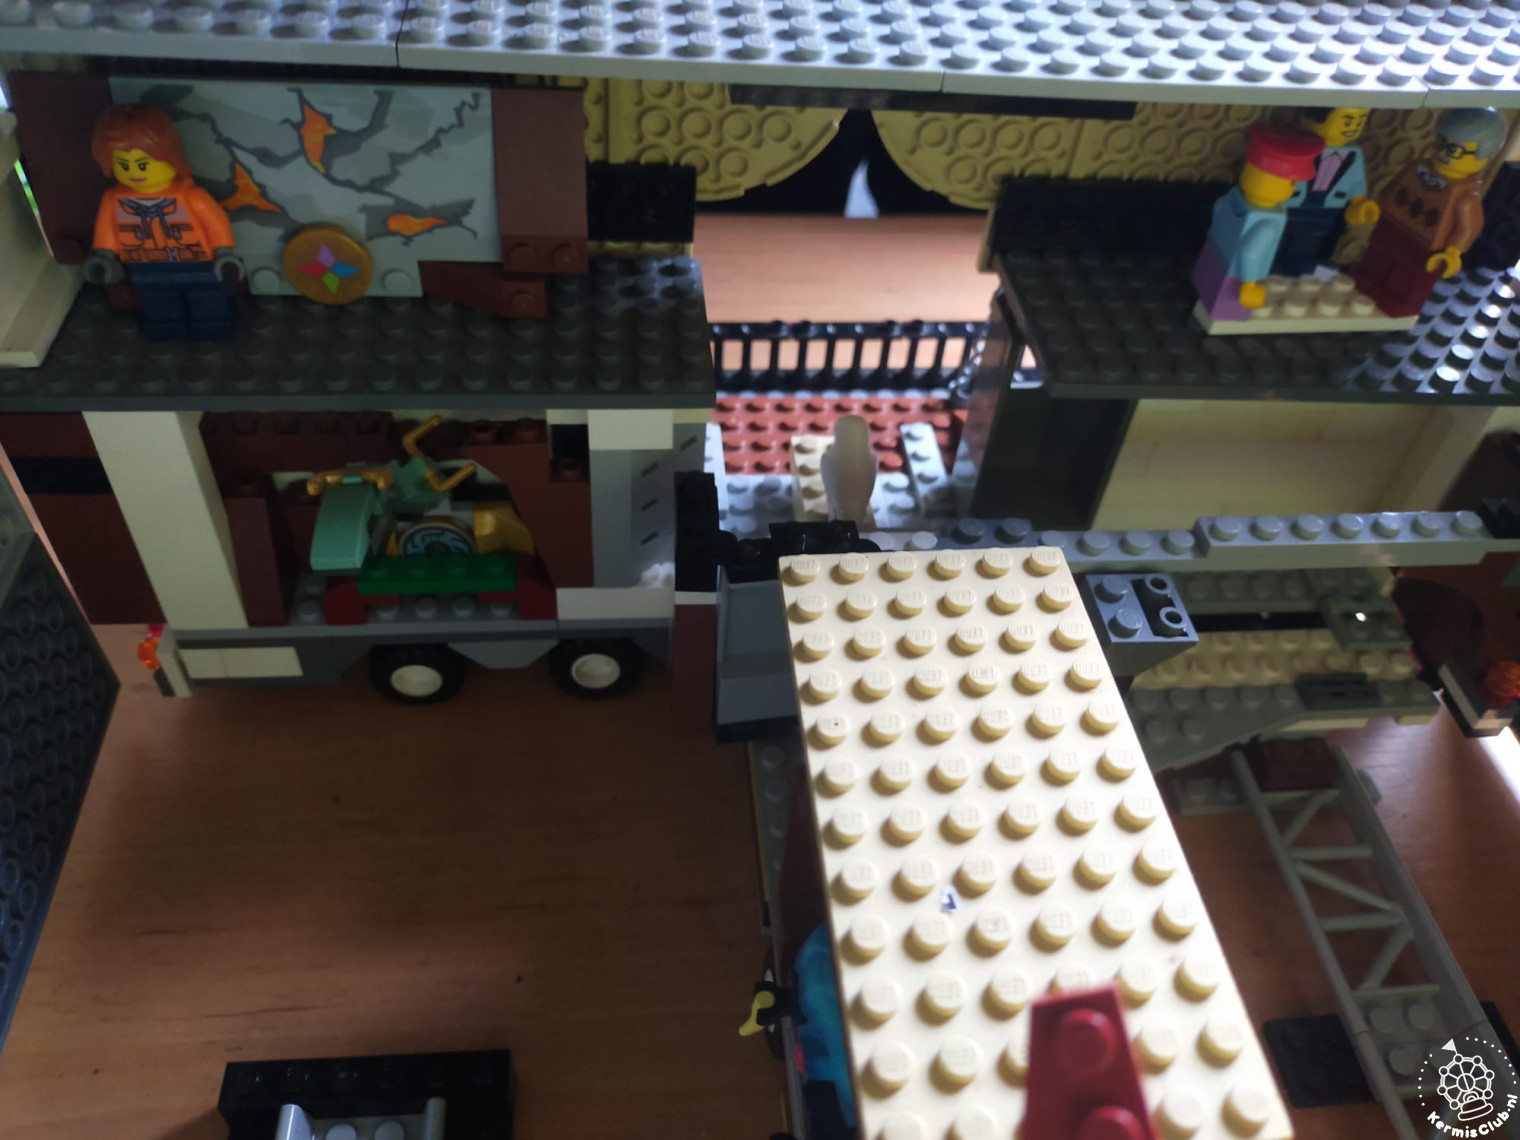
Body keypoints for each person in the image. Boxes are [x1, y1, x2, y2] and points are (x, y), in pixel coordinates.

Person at [84, 104, 245, 340]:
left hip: (196, 263)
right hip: (146, 265)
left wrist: (223, 252)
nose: (134, 173)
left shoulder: (192, 197)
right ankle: (166, 329)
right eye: (123, 165)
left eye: (142, 164)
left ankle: (213, 327)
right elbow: (107, 231)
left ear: (169, 157)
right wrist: (105, 256)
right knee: (158, 301)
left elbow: (216, 224)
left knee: (207, 299)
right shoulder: (113, 200)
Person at [1351, 107, 1508, 319]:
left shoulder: (1465, 197)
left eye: (1453, 150)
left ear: (1484, 154)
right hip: (1390, 228)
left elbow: (1469, 227)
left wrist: (1452, 252)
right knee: (1376, 258)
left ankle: (1397, 302)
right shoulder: (1416, 167)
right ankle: (1365, 281)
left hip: (1425, 247)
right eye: (1440, 142)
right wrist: (1376, 207)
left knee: (1408, 278)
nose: (1442, 152)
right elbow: (1392, 190)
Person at [1193, 125, 1324, 322]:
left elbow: (1218, 209)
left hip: (1213, 255)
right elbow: (1250, 254)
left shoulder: (1234, 196)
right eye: (1294, 182)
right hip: (1236, 276)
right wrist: (1249, 284)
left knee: (1206, 289)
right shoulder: (1268, 222)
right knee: (1226, 312)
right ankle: (1224, 320)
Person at [1270, 106, 1380, 277]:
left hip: (1329, 208)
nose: (1353, 128)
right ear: (1313, 117)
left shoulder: (1354, 154)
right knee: (1282, 235)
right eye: (1347, 122)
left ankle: (1299, 267)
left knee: (1313, 238)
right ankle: (1272, 263)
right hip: (1294, 204)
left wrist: (1358, 201)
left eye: (1360, 122)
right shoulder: (1301, 145)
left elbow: (1357, 181)